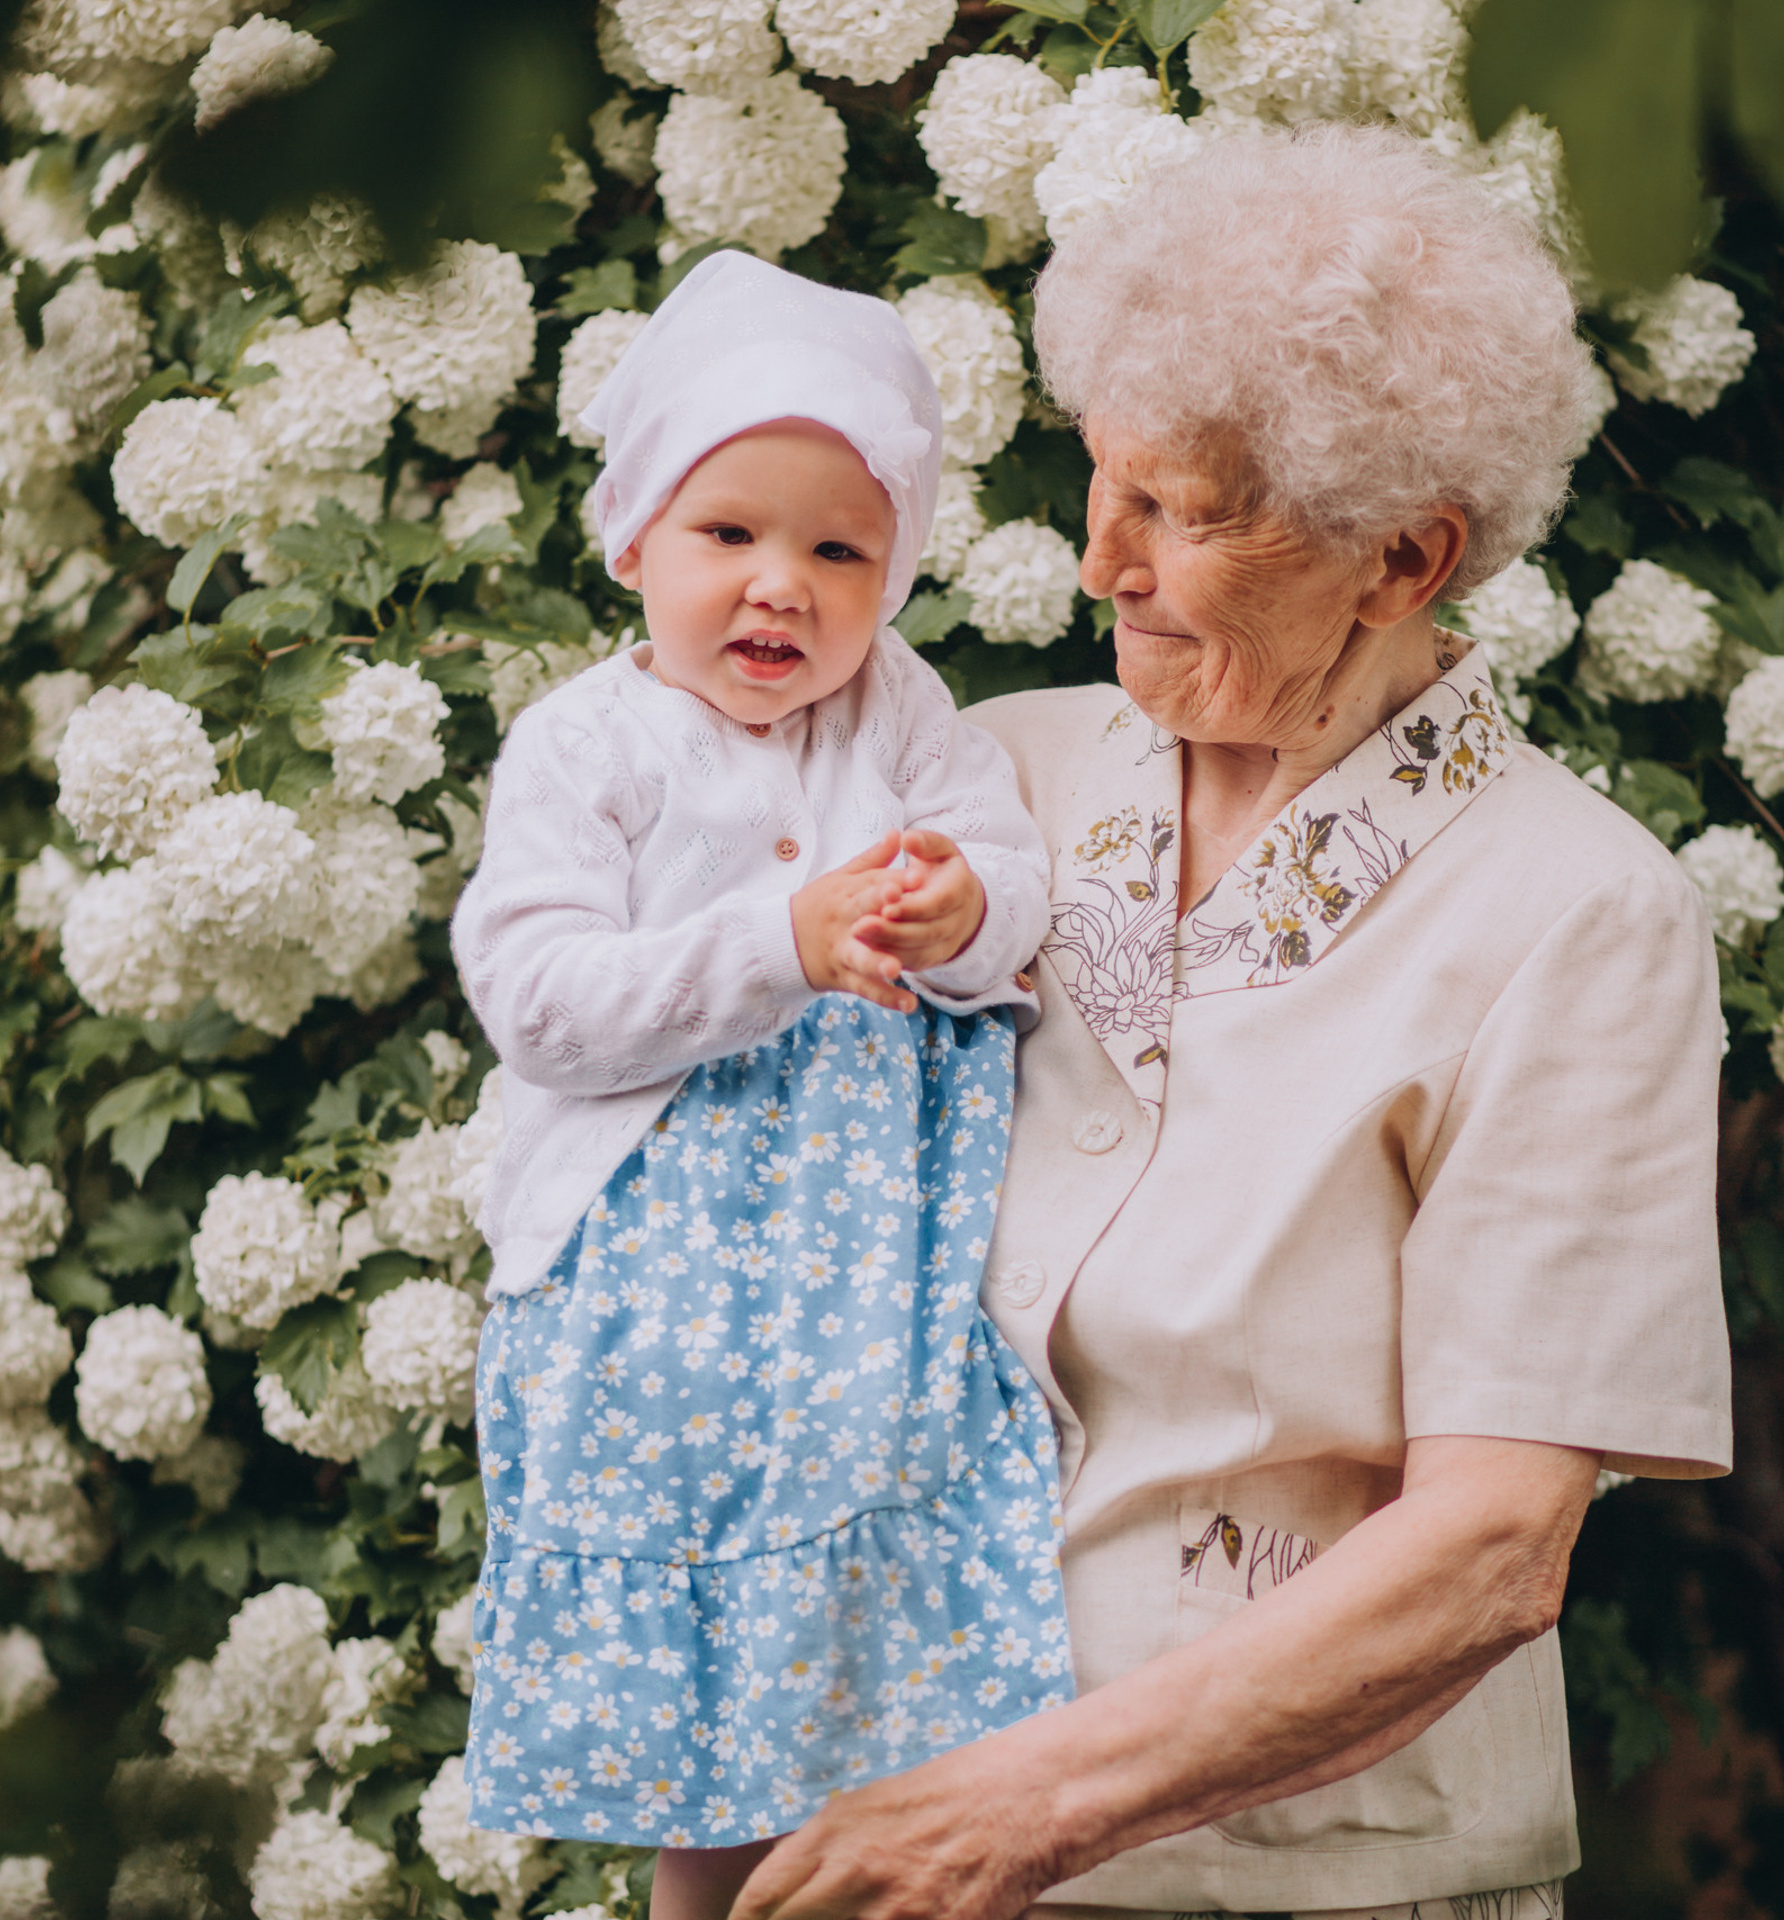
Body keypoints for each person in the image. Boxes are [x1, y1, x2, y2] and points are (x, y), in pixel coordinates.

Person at [731, 123, 1734, 1920]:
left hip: (1301, 1879)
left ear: (1405, 557)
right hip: (885, 1812)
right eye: (1100, 482)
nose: (1100, 557)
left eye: (1183, 513)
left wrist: (1012, 1812)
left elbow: (1494, 1547)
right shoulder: (991, 779)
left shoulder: (1581, 914)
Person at [449, 251, 1072, 1920]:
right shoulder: (590, 748)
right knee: (713, 1739)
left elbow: (1011, 878)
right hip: (654, 1311)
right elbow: (536, 999)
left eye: (838, 548)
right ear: (634, 537)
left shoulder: (908, 715)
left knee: (883, 1711)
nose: (780, 587)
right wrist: (776, 944)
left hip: (868, 1306)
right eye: (730, 534)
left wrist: (962, 910)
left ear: (896, 572)